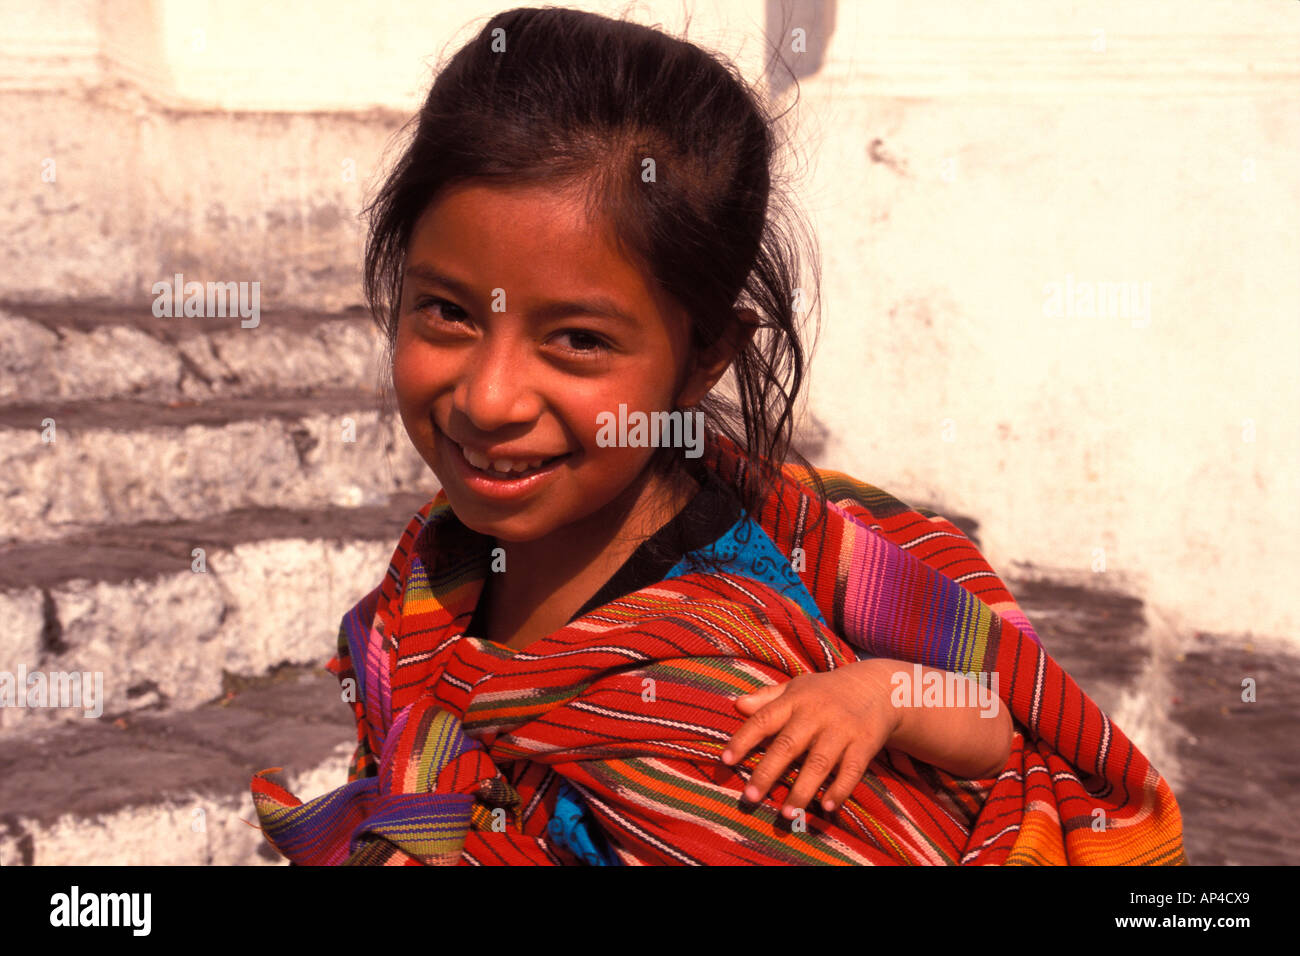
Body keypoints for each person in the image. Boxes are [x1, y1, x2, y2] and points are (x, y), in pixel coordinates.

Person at [251, 6, 1185, 865]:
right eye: (448, 312)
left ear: (704, 357)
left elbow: (995, 723)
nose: (490, 400)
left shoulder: (739, 695)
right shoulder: (436, 577)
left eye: (578, 340)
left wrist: (883, 694)